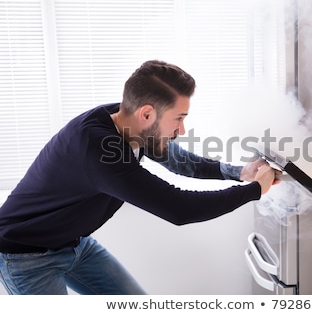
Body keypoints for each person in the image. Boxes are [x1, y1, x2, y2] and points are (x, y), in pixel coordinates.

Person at [0, 60, 279, 295]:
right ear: (147, 113)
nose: (182, 129)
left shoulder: (126, 119)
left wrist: (239, 173)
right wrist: (254, 190)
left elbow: (179, 161)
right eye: (178, 118)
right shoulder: (98, 148)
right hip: (26, 256)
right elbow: (178, 208)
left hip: (75, 244)